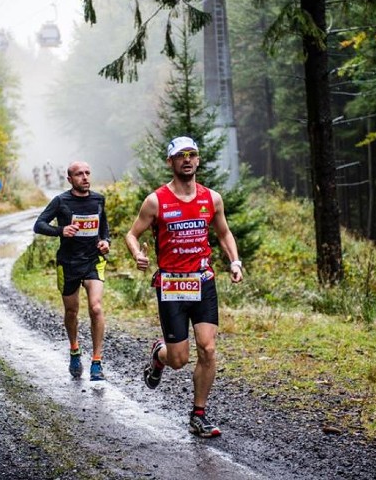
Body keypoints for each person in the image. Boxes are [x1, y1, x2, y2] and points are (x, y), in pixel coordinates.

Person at [124, 136, 243, 438]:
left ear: (198, 160)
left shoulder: (211, 199)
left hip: (202, 282)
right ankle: (159, 355)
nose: (187, 160)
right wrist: (138, 254)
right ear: (171, 162)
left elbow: (224, 233)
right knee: (179, 360)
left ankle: (198, 414)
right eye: (180, 156)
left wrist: (235, 261)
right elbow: (131, 234)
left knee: (208, 347)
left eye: (192, 155)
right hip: (172, 286)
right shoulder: (156, 201)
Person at [33, 161, 111, 381]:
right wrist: (60, 230)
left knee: (96, 308)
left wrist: (106, 242)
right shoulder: (61, 201)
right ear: (70, 179)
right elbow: (39, 224)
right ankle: (75, 350)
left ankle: (97, 362)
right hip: (68, 263)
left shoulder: (98, 199)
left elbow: (104, 227)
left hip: (93, 261)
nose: (85, 177)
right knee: (72, 311)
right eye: (79, 174)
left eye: (87, 173)